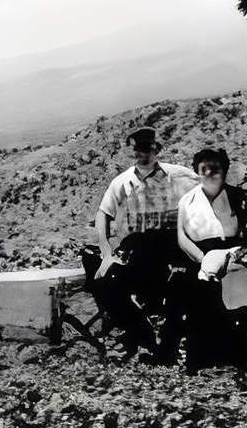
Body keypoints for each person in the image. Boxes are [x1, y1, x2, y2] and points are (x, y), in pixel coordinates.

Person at [81, 126, 198, 357]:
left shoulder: (181, 176)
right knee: (106, 282)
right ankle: (140, 334)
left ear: (157, 150)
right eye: (138, 149)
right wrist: (106, 253)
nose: (142, 154)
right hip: (140, 253)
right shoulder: (123, 181)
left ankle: (175, 339)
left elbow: (209, 196)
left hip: (174, 250)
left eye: (147, 148)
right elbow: (103, 214)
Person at [159, 147, 247, 370]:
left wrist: (233, 256)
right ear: (197, 172)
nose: (210, 173)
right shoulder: (187, 201)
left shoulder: (237, 197)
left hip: (234, 255)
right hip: (198, 256)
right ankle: (194, 359)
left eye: (215, 168)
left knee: (240, 291)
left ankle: (241, 356)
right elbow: (182, 238)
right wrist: (203, 259)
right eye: (204, 169)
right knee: (190, 291)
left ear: (224, 170)